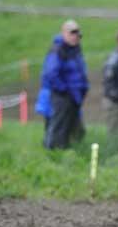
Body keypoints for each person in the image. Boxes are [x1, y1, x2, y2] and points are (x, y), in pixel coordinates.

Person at [43, 19, 89, 149]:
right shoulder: (58, 50)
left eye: (78, 34)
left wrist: (84, 88)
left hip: (75, 96)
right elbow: (51, 74)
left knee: (77, 129)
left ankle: (70, 151)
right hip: (62, 96)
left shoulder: (76, 50)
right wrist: (64, 89)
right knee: (59, 127)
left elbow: (80, 72)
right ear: (63, 33)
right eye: (72, 33)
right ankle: (52, 153)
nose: (76, 36)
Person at [34, 28, 63, 145]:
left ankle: (48, 143)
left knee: (50, 122)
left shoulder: (51, 52)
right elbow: (52, 76)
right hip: (52, 94)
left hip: (47, 93)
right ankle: (49, 145)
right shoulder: (56, 54)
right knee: (53, 122)